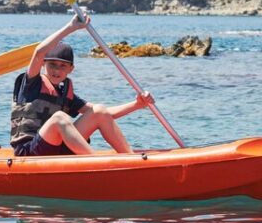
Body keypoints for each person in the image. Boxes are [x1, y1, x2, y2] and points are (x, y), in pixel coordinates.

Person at [10, 15, 154, 157]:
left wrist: (137, 104)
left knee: (99, 110)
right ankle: (97, 163)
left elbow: (106, 115)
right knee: (60, 117)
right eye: (52, 64)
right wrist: (71, 27)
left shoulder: (65, 94)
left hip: (57, 148)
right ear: (43, 64)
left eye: (62, 66)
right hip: (29, 150)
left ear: (70, 69)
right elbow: (38, 53)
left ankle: (130, 158)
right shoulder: (32, 83)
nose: (56, 70)